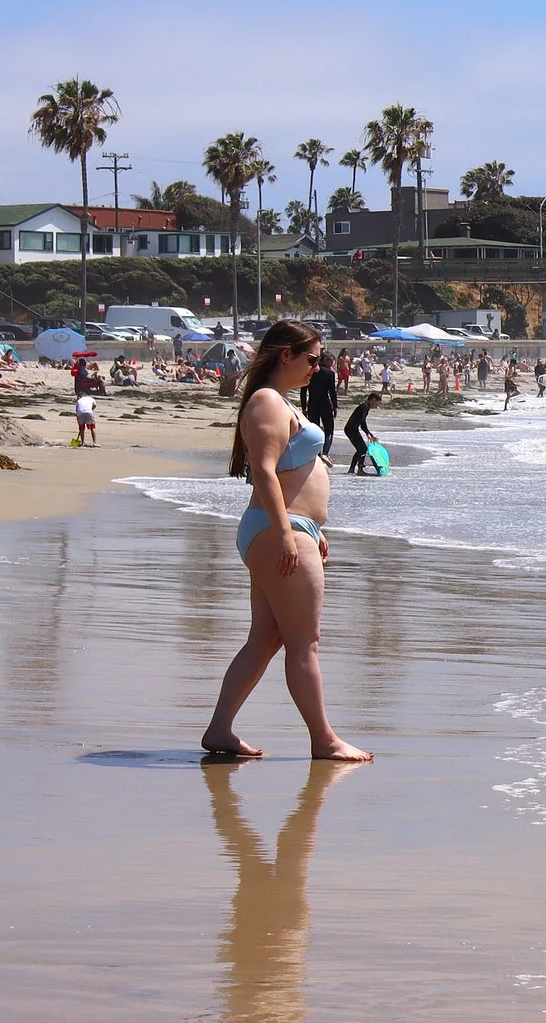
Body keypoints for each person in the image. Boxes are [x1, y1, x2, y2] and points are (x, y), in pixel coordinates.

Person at [200, 321, 371, 764]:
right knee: (304, 642)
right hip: (280, 530)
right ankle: (325, 740)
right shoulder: (266, 402)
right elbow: (264, 471)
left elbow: (294, 476)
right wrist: (286, 535)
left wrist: (317, 529)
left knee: (266, 637)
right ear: (285, 356)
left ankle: (220, 729)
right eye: (313, 359)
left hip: (291, 528)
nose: (319, 367)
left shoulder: (279, 402)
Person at [304, 350, 339, 460]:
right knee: (329, 431)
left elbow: (303, 390)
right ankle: (325, 453)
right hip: (325, 404)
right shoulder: (329, 373)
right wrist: (335, 406)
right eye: (331, 361)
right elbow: (332, 391)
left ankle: (316, 454)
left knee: (314, 430)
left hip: (312, 404)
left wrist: (304, 407)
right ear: (325, 360)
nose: (332, 364)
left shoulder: (311, 371)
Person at [343, 393, 378, 475]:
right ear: (373, 400)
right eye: (377, 402)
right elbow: (362, 422)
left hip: (352, 429)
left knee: (361, 449)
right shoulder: (364, 407)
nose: (377, 405)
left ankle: (353, 469)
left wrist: (369, 433)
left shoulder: (365, 406)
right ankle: (359, 469)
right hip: (351, 429)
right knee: (362, 449)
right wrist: (368, 434)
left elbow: (363, 423)